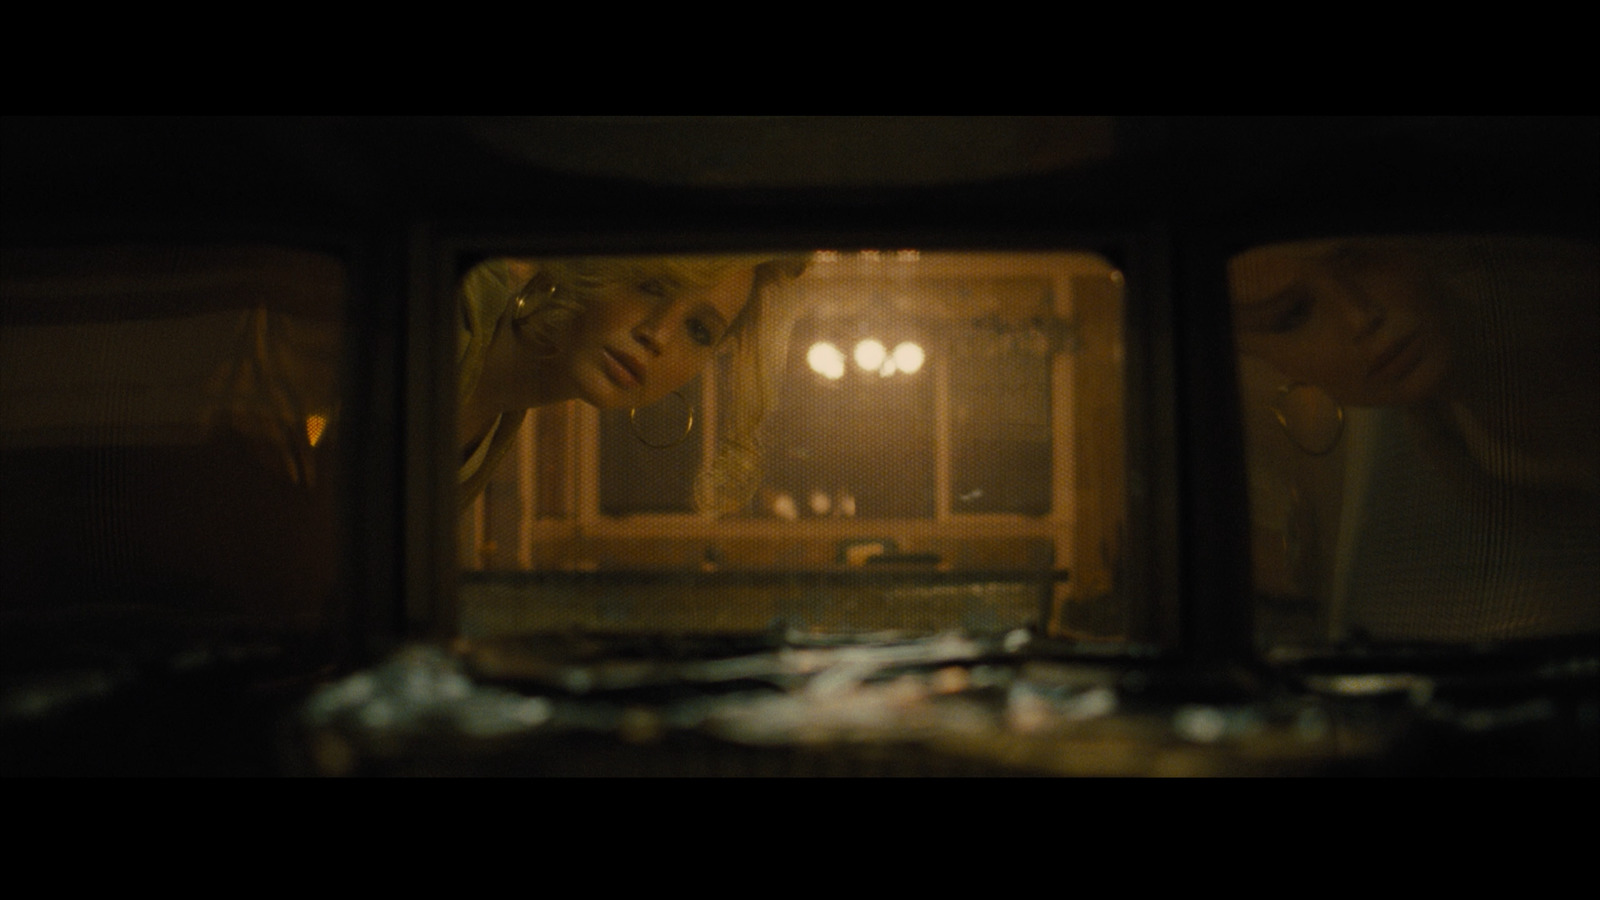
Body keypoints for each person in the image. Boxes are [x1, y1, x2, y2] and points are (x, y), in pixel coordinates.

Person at [1228, 235, 1599, 642]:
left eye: (1361, 262)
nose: (1358, 316)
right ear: (1259, 355)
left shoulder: (1563, 334)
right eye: (1291, 316)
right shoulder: (1431, 432)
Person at [455, 254, 807, 514]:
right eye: (651, 286)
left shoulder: (496, 422)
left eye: (699, 330)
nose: (659, 335)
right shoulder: (451, 305)